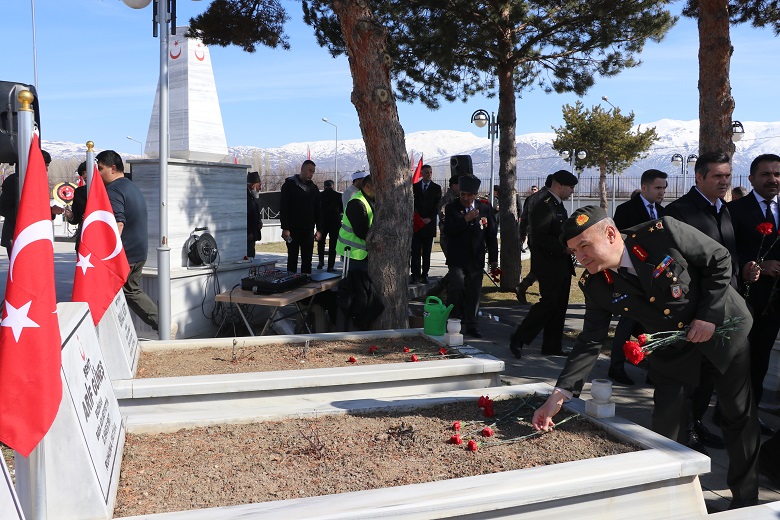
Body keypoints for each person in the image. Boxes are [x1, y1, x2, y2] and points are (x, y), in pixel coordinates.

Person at [533, 206, 761, 511]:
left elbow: (719, 260)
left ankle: (746, 500)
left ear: (611, 234)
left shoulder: (662, 233)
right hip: (673, 349)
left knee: (737, 416)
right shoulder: (595, 283)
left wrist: (708, 316)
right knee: (667, 426)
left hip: (722, 330)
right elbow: (589, 341)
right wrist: (558, 396)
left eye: (585, 246)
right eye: (575, 251)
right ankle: (671, 504)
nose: (581, 257)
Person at [665, 151, 743, 453]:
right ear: (699, 177)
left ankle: (696, 423)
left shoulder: (724, 209)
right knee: (690, 376)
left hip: (725, 307)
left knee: (711, 374)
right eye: (717, 176)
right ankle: (682, 432)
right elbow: (680, 268)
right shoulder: (679, 212)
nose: (724, 182)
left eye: (727, 176)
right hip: (697, 311)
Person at [729, 153, 780, 437]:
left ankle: (752, 414)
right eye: (766, 174)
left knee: (760, 361)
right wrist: (757, 264)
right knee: (739, 360)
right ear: (751, 179)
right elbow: (727, 252)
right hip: (745, 299)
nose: (772, 179)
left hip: (775, 303)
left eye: (777, 174)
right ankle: (729, 413)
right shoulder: (736, 211)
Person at [96, 150, 169, 337]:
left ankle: (163, 324)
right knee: (130, 291)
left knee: (124, 292)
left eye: (101, 168)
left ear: (113, 168)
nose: (98, 172)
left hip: (124, 253)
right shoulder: (130, 186)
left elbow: (118, 223)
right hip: (138, 251)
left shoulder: (113, 190)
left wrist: (108, 254)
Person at [608, 169, 668, 386]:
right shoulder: (626, 210)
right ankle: (616, 367)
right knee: (626, 324)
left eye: (664, 188)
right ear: (644, 188)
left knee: (654, 326)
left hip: (656, 278)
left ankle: (654, 371)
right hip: (632, 277)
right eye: (658, 188)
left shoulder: (663, 211)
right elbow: (618, 243)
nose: (662, 192)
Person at [509, 170, 577, 357]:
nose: (572, 191)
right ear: (559, 185)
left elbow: (560, 232)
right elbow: (540, 237)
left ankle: (552, 346)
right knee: (548, 305)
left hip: (561, 264)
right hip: (549, 264)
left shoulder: (558, 205)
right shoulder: (545, 206)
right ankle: (519, 338)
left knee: (559, 306)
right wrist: (563, 249)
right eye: (570, 187)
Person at [443, 175, 498, 338]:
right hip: (457, 258)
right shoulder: (452, 208)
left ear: (475, 194)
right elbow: (448, 231)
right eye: (463, 194)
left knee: (474, 292)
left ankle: (471, 324)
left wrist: (494, 258)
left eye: (469, 195)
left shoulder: (485, 208)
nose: (465, 198)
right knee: (457, 289)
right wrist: (465, 218)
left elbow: (491, 235)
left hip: (476, 258)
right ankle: (453, 321)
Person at [0, 148, 62, 257]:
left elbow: (39, 209)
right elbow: (3, 208)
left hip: (35, 235)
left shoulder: (40, 182)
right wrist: (28, 217)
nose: (45, 169)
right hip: (15, 235)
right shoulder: (13, 181)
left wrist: (51, 211)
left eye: (47, 166)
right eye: (44, 165)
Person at [515, 175, 554, 304]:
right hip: (544, 237)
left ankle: (524, 286)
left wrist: (523, 233)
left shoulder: (532, 197)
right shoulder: (547, 198)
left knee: (539, 265)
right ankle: (528, 287)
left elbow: (524, 216)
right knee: (545, 266)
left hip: (532, 236)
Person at [279, 160, 321, 274]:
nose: (311, 174)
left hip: (308, 230)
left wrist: (319, 229)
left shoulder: (313, 188)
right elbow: (284, 208)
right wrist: (285, 227)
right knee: (292, 258)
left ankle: (306, 284)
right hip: (292, 230)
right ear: (302, 169)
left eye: (313, 172)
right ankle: (290, 284)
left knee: (307, 260)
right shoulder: (289, 185)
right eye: (309, 171)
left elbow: (318, 210)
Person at [336, 174, 375, 272]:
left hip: (361, 252)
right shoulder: (357, 203)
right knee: (355, 285)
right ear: (367, 187)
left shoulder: (368, 200)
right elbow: (361, 231)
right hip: (353, 253)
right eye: (377, 188)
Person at [411, 164, 442, 284]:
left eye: (430, 172)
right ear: (422, 174)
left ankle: (425, 275)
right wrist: (418, 218)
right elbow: (413, 204)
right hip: (417, 226)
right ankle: (415, 275)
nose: (429, 175)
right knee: (415, 252)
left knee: (427, 253)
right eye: (426, 173)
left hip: (429, 225)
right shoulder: (415, 187)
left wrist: (429, 218)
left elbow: (437, 205)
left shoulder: (436, 188)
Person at [318, 179, 343, 271]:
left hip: (322, 222)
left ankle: (321, 261)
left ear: (324, 186)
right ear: (333, 186)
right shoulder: (338, 195)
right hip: (334, 222)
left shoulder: (320, 195)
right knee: (333, 244)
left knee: (321, 242)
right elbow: (341, 209)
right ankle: (330, 266)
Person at [64, 161, 88, 250]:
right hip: (83, 236)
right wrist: (71, 216)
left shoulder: (106, 190)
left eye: (87, 172)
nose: (85, 175)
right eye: (83, 173)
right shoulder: (79, 192)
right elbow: (76, 218)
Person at [437, 176, 459, 259]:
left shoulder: (459, 199)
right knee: (454, 266)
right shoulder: (446, 201)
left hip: (457, 238)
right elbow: (444, 218)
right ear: (454, 185)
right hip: (448, 239)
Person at [246, 171, 263, 259]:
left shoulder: (252, 198)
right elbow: (245, 217)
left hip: (252, 236)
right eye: (258, 185)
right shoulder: (245, 198)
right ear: (252, 185)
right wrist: (248, 232)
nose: (260, 188)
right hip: (248, 237)